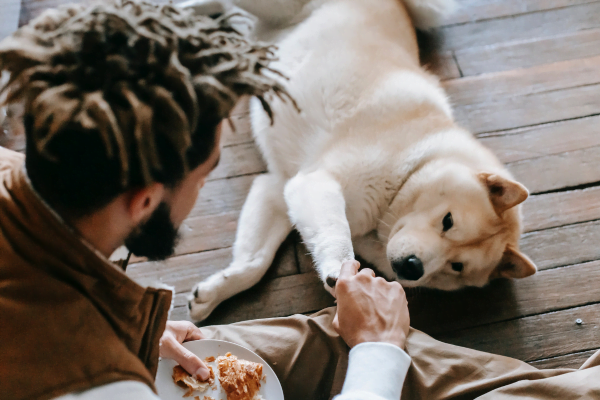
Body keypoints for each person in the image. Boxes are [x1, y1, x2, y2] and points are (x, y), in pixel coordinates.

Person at [1, 2, 599, 400]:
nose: (205, 189)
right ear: (144, 201)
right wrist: (378, 354)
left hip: (127, 343)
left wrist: (132, 333)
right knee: (382, 345)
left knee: (331, 338)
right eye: (206, 176)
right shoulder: (98, 385)